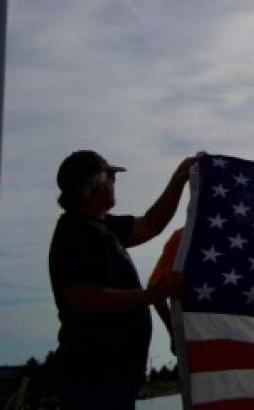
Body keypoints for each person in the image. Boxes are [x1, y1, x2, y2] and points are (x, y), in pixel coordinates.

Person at [49, 150, 199, 410]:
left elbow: (151, 224)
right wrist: (151, 295)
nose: (115, 183)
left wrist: (179, 178)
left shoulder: (102, 226)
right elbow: (84, 298)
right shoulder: (74, 234)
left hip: (113, 378)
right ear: (94, 187)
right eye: (111, 178)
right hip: (93, 380)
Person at [147, 227, 184, 356]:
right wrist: (174, 332)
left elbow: (154, 287)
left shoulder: (183, 234)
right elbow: (155, 288)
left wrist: (173, 332)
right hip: (195, 334)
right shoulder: (184, 235)